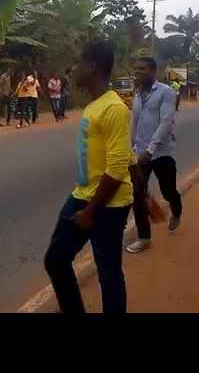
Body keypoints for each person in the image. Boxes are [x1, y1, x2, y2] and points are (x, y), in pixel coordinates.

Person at [44, 40, 133, 314]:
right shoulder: (94, 106)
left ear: (92, 67)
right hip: (83, 195)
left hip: (107, 204)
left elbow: (118, 167)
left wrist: (92, 211)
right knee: (56, 259)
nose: (74, 70)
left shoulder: (114, 108)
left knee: (108, 272)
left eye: (79, 63)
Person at [126, 57, 182, 254]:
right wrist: (130, 147)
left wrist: (150, 150)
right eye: (135, 69)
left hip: (161, 152)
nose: (137, 73)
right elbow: (135, 121)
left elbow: (166, 122)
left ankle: (176, 210)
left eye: (142, 69)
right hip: (140, 152)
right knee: (138, 195)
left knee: (168, 191)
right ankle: (144, 237)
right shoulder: (137, 94)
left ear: (153, 71)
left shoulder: (166, 92)